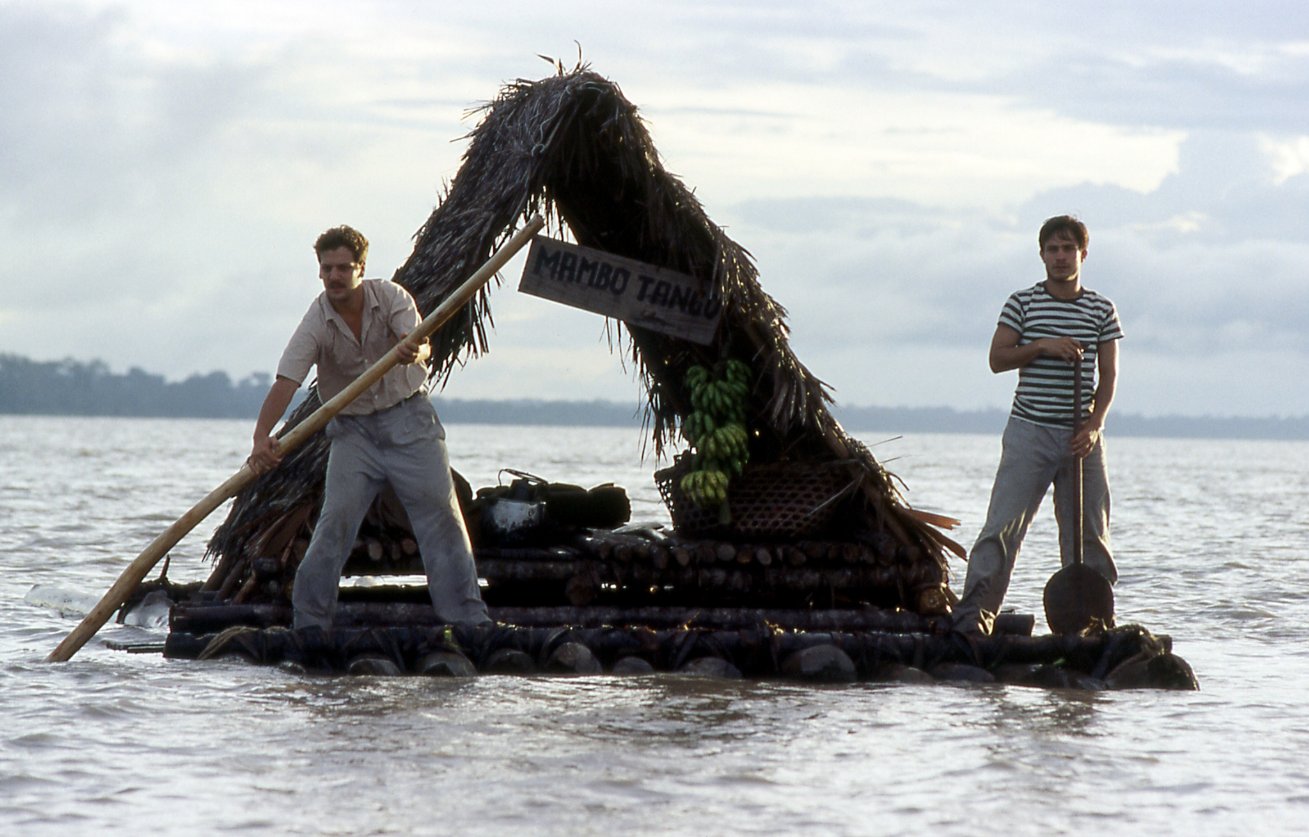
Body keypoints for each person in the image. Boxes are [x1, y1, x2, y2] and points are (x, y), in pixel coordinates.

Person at [248, 224, 490, 631]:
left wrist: (413, 349)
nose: (335, 277)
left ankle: (468, 622)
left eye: (343, 268)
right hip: (354, 432)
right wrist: (260, 438)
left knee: (441, 517)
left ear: (360, 268)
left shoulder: (391, 296)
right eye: (327, 269)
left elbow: (421, 342)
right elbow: (286, 381)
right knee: (335, 522)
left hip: (409, 421)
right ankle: (310, 625)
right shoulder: (317, 320)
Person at [952, 215, 1122, 635]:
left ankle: (1093, 625)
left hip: (1081, 436)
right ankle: (974, 618)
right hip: (1030, 431)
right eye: (1053, 249)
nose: (1060, 257)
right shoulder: (1022, 303)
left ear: (1083, 254)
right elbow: (997, 359)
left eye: (1068, 249)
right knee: (1002, 528)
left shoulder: (1101, 309)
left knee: (1090, 535)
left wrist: (1094, 426)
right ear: (1042, 254)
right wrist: (1042, 346)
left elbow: (1108, 377)